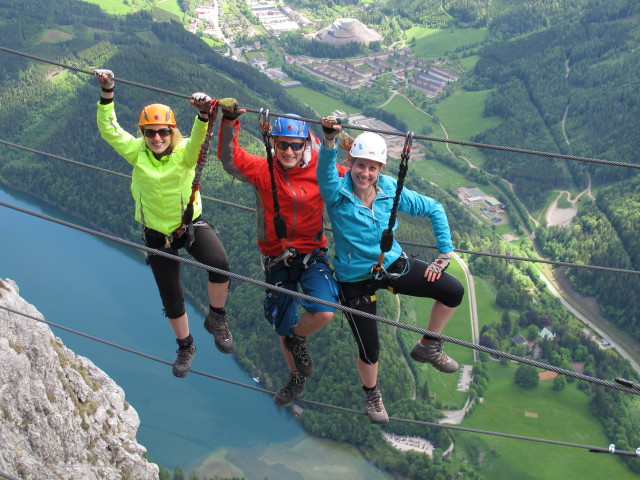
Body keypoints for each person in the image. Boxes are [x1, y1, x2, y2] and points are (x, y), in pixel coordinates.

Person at [317, 117, 465, 424]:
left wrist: (444, 252)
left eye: (372, 168)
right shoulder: (336, 193)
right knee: (370, 348)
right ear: (351, 162)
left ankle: (428, 344)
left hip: (393, 265)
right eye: (360, 165)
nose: (365, 173)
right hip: (354, 278)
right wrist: (329, 141)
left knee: (452, 291)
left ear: (380, 170)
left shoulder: (389, 190)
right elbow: (326, 173)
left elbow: (434, 208)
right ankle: (372, 393)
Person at [94, 69, 234, 378]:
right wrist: (108, 92)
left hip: (189, 226)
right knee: (171, 296)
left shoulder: (183, 155)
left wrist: (202, 116)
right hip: (157, 234)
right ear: (143, 134)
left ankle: (217, 317)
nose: (157, 137)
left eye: (163, 132)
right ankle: (186, 346)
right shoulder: (136, 153)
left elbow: (199, 143)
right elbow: (110, 130)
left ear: (172, 132)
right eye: (150, 132)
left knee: (220, 263)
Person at [216, 99, 349, 406]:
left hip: (312, 253)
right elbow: (230, 160)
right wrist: (229, 122)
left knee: (325, 310)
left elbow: (360, 178)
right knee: (282, 323)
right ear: (273, 143)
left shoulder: (321, 171)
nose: (288, 152)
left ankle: (297, 339)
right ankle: (296, 377)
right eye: (282, 145)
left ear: (306, 145)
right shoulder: (264, 168)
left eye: (295, 146)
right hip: (275, 257)